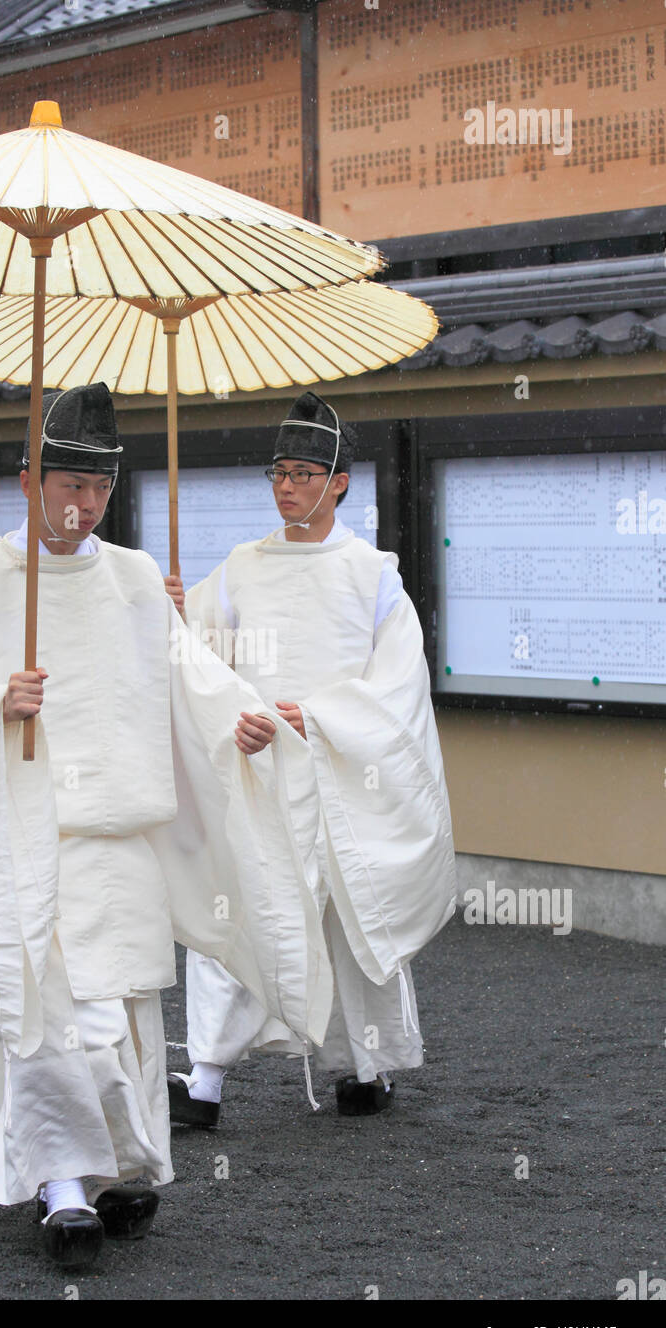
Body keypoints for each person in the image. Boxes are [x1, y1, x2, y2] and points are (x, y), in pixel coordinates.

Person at [0, 384, 330, 1271]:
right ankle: (60, 1188)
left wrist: (237, 721)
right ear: (29, 480)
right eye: (66, 483)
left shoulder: (134, 580)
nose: (82, 504)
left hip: (123, 834)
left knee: (129, 1010)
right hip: (35, 835)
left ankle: (126, 1165)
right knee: (58, 1015)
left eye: (97, 488)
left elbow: (188, 680)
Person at [164, 390, 456, 1127]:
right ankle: (203, 1076)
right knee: (243, 905)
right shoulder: (239, 568)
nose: (287, 485)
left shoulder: (371, 574)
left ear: (339, 483)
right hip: (259, 767)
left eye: (302, 472)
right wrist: (167, 611)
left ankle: (364, 1067)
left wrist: (319, 719)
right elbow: (199, 660)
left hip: (340, 770)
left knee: (348, 914)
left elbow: (397, 686)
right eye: (278, 472)